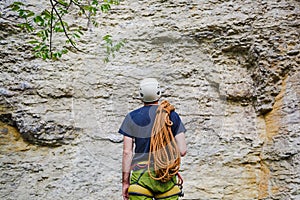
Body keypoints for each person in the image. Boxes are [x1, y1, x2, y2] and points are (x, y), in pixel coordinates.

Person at [119, 78, 187, 200]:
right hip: (166, 176)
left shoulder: (131, 117)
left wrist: (125, 183)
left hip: (141, 178)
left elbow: (127, 152)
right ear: (159, 93)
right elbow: (182, 151)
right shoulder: (171, 115)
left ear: (141, 95)